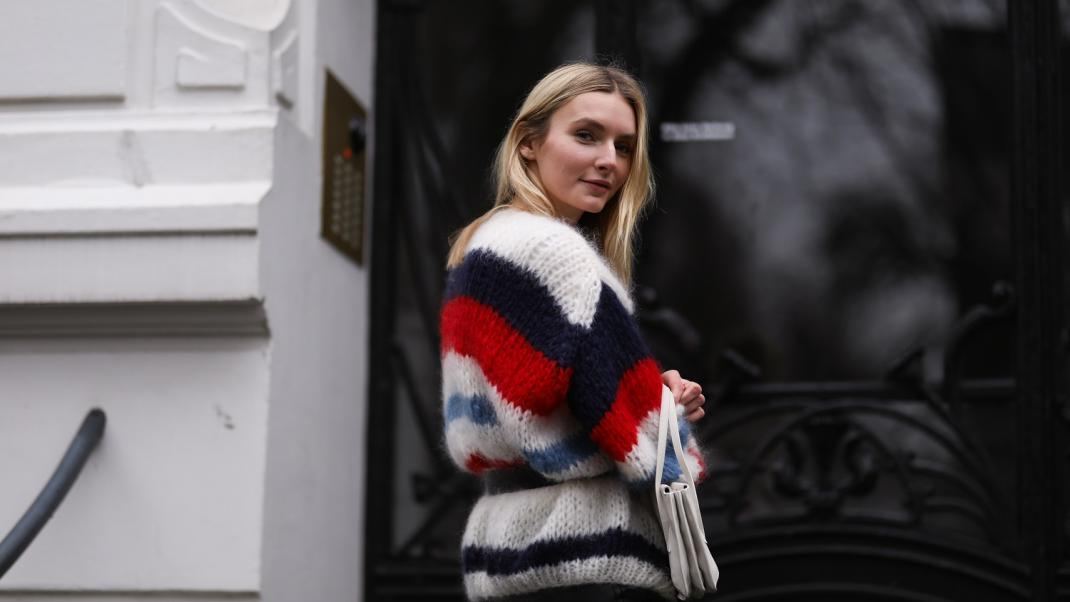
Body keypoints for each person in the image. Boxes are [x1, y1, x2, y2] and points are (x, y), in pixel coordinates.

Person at [440, 62, 708, 601]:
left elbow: (536, 395)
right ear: (528, 143)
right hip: (588, 557)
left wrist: (641, 390)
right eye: (586, 135)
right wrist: (669, 416)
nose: (610, 160)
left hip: (506, 552)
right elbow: (646, 445)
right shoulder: (558, 255)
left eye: (624, 146)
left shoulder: (483, 248)